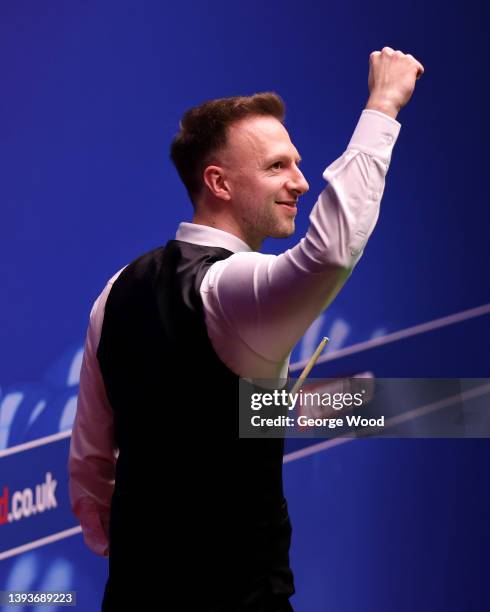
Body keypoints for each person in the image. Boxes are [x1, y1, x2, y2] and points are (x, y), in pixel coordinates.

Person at [68, 47, 424, 611]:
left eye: (296, 163)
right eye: (276, 166)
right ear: (220, 183)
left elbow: (90, 465)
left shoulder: (114, 291)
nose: (302, 183)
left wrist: (141, 552)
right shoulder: (235, 288)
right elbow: (331, 254)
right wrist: (382, 106)